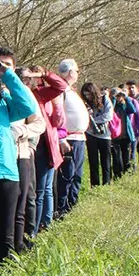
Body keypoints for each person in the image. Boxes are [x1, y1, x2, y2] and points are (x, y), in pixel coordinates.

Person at [0, 48, 37, 271]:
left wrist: (7, 74)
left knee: (5, 234)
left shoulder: (1, 98)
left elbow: (27, 107)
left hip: (7, 172)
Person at [29, 66, 68, 235]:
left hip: (46, 145)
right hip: (35, 146)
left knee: (44, 190)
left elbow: (61, 86)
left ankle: (43, 226)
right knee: (40, 190)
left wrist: (44, 74)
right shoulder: (27, 94)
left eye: (36, 79)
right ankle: (37, 229)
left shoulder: (41, 94)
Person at [10, 67, 46, 252]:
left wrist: (24, 134)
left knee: (25, 200)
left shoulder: (25, 95)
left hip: (22, 153)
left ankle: (23, 243)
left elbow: (39, 123)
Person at [55, 59, 88, 216]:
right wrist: (62, 139)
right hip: (69, 139)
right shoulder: (60, 91)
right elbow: (57, 116)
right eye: (76, 71)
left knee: (76, 175)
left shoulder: (70, 91)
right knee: (68, 175)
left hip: (79, 138)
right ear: (69, 72)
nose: (77, 74)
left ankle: (72, 204)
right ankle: (62, 208)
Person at [82, 82, 113, 186]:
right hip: (90, 134)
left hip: (104, 135)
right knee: (93, 162)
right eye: (85, 95)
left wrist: (94, 120)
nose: (88, 97)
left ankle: (107, 184)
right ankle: (94, 185)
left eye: (89, 94)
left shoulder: (104, 99)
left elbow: (108, 115)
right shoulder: (85, 103)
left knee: (106, 161)